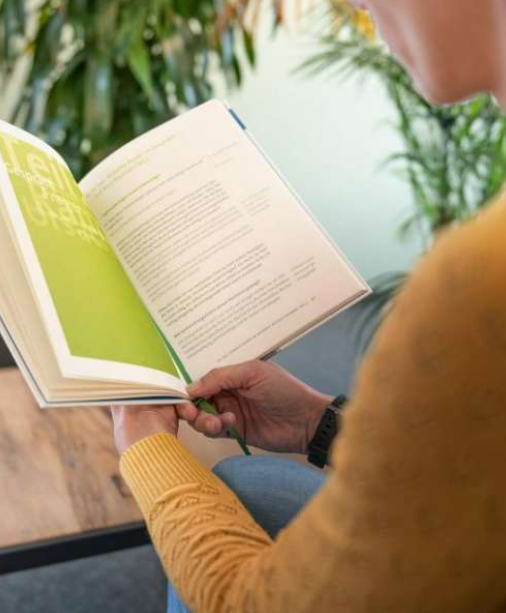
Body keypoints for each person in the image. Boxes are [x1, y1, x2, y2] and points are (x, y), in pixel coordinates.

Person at [111, 1, 506, 612]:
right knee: (248, 485)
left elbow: (251, 605)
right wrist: (319, 423)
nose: (359, 5)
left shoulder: (480, 280)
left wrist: (146, 447)